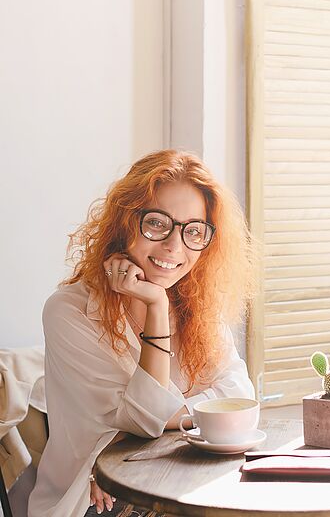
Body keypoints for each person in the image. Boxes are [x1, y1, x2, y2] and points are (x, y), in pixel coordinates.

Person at [28, 149, 257, 517]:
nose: (174, 246)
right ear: (124, 221)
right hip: (92, 500)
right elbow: (147, 419)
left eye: (193, 231)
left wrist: (161, 420)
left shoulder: (199, 304)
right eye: (157, 223)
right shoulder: (68, 312)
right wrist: (156, 308)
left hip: (183, 480)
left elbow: (240, 396)